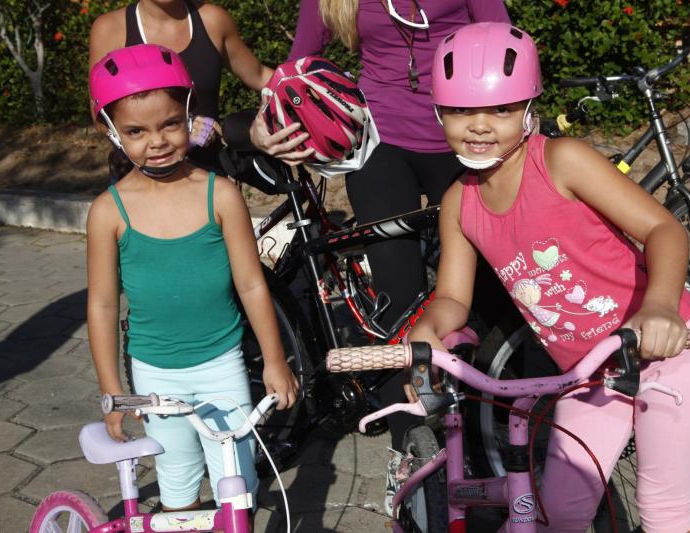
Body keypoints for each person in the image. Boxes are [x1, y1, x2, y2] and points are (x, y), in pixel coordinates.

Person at [409, 23, 690, 532]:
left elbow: (662, 228)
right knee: (563, 510)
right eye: (462, 110)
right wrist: (426, 330)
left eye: (501, 109)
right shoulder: (458, 203)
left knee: (662, 507)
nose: (480, 126)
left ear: (529, 108)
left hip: (668, 353)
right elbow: (451, 297)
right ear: (439, 113)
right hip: (586, 375)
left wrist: (661, 305)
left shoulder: (562, 161)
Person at [267, 2, 510, 507]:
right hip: (381, 144)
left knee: (486, 291)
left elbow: (504, 47)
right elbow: (296, 65)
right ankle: (410, 447)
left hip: (464, 138)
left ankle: (491, 425)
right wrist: (267, 125)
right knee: (399, 300)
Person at [86, 44, 298, 512]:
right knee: (177, 486)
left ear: (188, 115)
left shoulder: (219, 195)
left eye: (170, 124)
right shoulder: (107, 212)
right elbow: (101, 305)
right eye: (137, 131)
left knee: (237, 488)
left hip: (222, 365)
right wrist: (112, 390)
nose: (157, 141)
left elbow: (251, 284)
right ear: (112, 131)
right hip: (155, 374)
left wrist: (274, 361)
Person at [88, 0, 311, 174]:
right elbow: (100, 117)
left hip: (206, 170)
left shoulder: (212, 20)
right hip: (141, 175)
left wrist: (312, 88)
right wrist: (179, 129)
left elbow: (259, 75)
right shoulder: (110, 29)